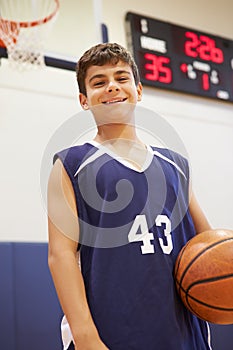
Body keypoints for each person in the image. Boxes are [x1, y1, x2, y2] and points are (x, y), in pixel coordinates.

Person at [47, 42, 212, 350]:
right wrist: (86, 338)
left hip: (180, 331)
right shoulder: (71, 164)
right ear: (84, 100)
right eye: (99, 82)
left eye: (121, 78)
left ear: (138, 89)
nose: (112, 87)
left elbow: (208, 243)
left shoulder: (175, 164)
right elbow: (61, 256)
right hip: (111, 331)